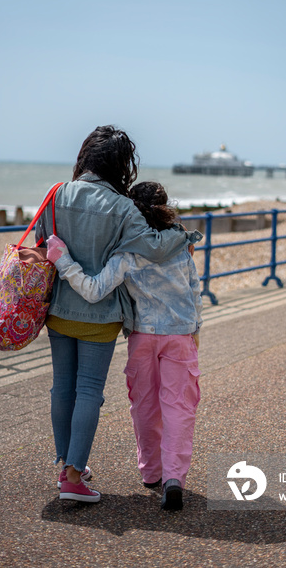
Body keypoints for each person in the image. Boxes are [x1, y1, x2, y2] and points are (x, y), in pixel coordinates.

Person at [35, 126, 195, 503]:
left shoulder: (56, 194)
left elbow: (44, 243)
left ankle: (67, 467)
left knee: (62, 387)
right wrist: (186, 236)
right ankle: (74, 476)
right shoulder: (123, 208)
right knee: (89, 391)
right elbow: (154, 248)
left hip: (59, 310)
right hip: (101, 314)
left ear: (86, 156)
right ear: (122, 165)